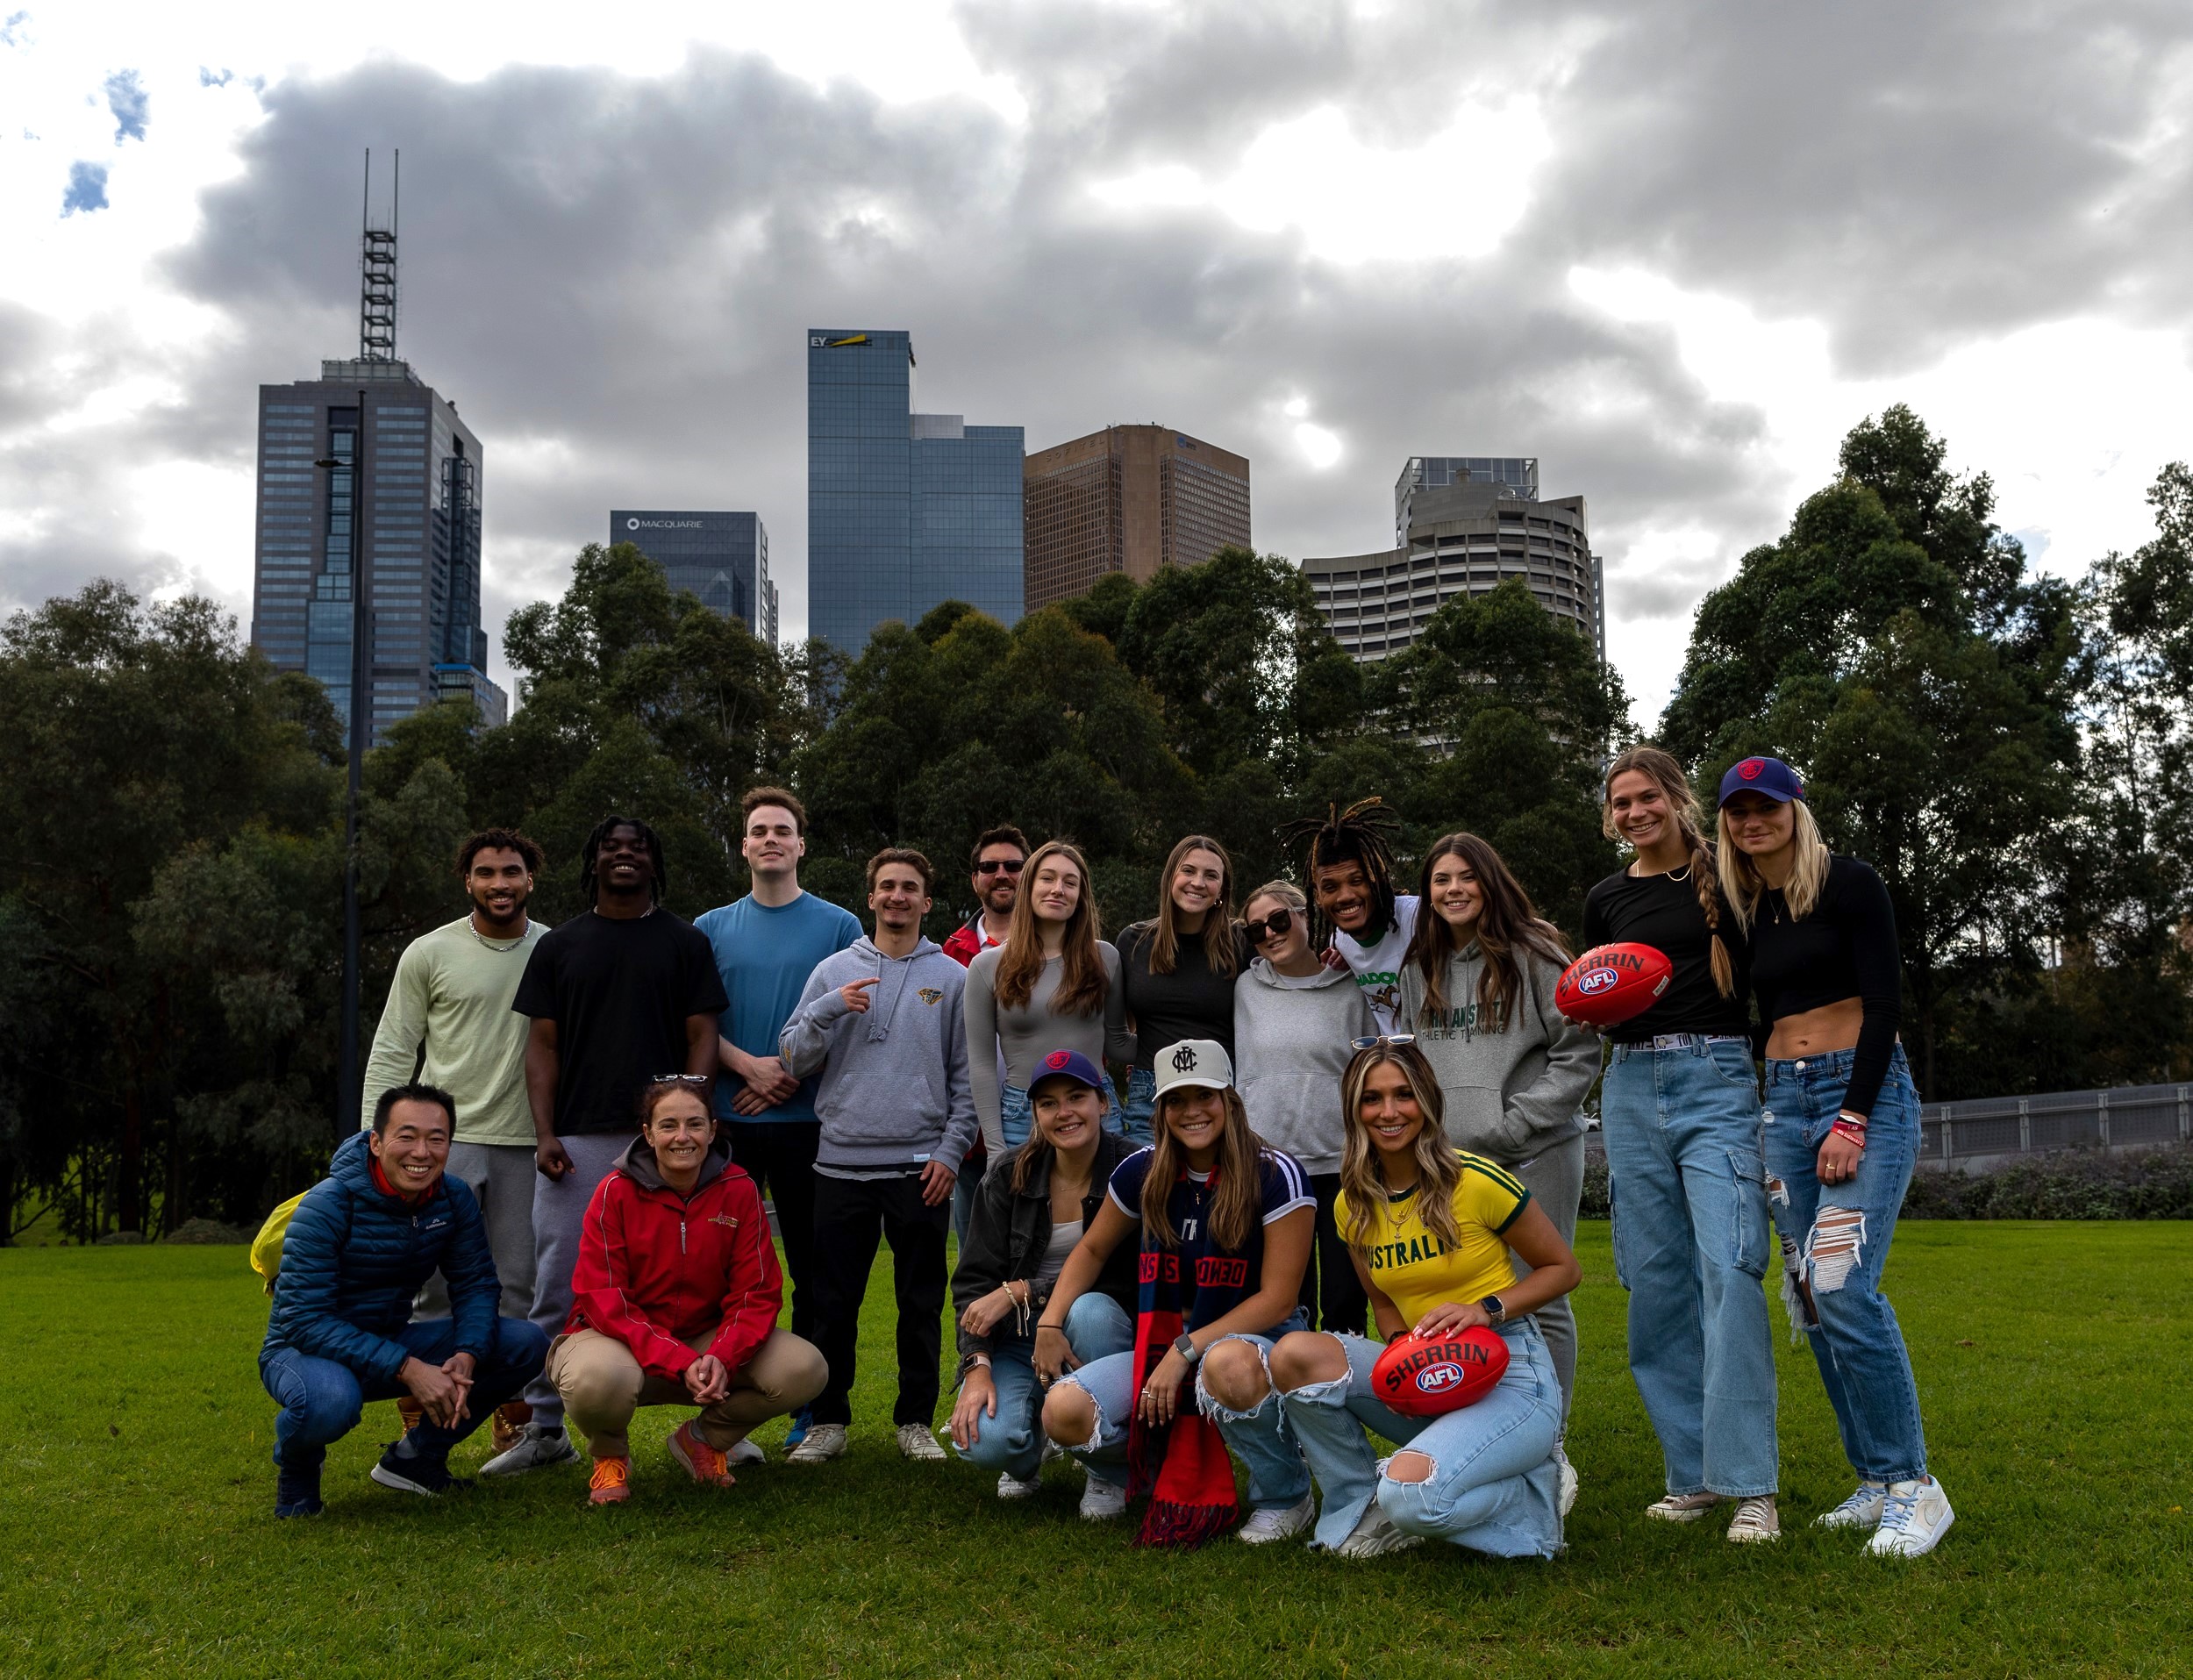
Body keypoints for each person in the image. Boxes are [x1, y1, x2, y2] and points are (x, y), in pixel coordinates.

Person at [1718, 754, 1953, 1557]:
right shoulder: (1747, 909)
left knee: (1842, 1281)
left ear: (1795, 808)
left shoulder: (1851, 883)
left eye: (1768, 805)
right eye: (1740, 810)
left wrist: (1852, 1113)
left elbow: (1885, 1000)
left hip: (1863, 1094)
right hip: (1782, 1102)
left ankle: (1916, 1487)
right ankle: (1875, 1480)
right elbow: (1757, 1011)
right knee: (1811, 1300)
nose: (1756, 821)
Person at [488, 815, 729, 1477]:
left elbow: (702, 1033)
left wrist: (690, 1117)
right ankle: (542, 1427)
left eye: (638, 847)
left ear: (655, 863)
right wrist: (544, 1133)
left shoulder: (684, 942)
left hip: (668, 1142)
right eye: (611, 847)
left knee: (701, 1278)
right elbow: (541, 1047)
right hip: (579, 1139)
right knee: (557, 1280)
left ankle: (718, 1423)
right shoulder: (560, 946)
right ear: (592, 861)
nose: (624, 855)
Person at [1271, 1041, 1578, 1558]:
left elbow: (1563, 1270)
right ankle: (1361, 1503)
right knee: (1295, 1355)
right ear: (1354, 1110)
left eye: (1403, 1096)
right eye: (1372, 1099)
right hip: (1425, 1366)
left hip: (1508, 1373)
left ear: (1427, 1102)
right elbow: (1384, 1304)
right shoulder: (1352, 1205)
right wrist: (1399, 1352)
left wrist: (1485, 1309)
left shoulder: (1475, 1178)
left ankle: (1531, 1497)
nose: (1388, 1113)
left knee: (1412, 1497)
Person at [1584, 746, 1778, 1542]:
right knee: (1655, 1281)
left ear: (1676, 798)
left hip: (1715, 1074)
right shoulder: (1604, 897)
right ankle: (1692, 1474)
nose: (1635, 812)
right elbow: (1594, 986)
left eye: (1646, 797)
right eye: (1621, 803)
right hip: (1627, 1086)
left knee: (1729, 1268)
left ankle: (1752, 1486)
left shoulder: (1732, 872)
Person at [1039, 1040, 1317, 1548]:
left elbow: (1278, 1300)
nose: (1191, 1112)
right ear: (1161, 1109)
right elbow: (1093, 1250)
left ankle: (1285, 1495)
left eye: (1204, 1096)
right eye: (1176, 1100)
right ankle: (1131, 1473)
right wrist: (1049, 1322)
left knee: (1227, 1366)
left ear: (1229, 1101)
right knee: (1065, 1412)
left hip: (1257, 1341)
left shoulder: (1275, 1172)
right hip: (1168, 1340)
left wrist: (1186, 1349)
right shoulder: (1143, 1170)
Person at [1397, 831, 1598, 1507]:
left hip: (1533, 1149)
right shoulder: (1416, 965)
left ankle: (1550, 1442)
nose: (1453, 889)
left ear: (1490, 880)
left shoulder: (1537, 952)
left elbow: (1578, 1053)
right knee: (1464, 1295)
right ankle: (1482, 1427)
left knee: (1543, 1291)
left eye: (1465, 877)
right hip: (1446, 1164)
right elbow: (1411, 1063)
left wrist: (1513, 1127)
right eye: (1440, 880)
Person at [258, 1084, 549, 1517]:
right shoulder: (326, 1205)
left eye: (437, 1139)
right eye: (406, 1136)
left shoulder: (452, 1198)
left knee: (523, 1342)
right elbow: (304, 1320)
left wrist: (467, 1354)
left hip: (388, 1337)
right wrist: (409, 1368)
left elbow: (475, 1285)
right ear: (376, 1142)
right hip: (302, 1350)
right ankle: (298, 1468)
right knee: (331, 1402)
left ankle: (416, 1459)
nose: (422, 1152)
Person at [775, 847, 976, 1465]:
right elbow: (790, 1056)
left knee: (919, 1301)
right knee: (833, 1301)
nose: (897, 896)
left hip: (920, 1167)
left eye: (909, 887)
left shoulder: (952, 978)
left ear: (926, 901)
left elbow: (967, 1078)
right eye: (886, 886)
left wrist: (949, 1150)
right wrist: (830, 1007)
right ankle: (828, 1420)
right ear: (870, 898)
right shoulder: (833, 969)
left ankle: (914, 1419)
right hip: (839, 1164)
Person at [546, 1078, 826, 1505]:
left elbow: (757, 1292)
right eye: (669, 1125)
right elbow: (604, 1298)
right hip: (616, 1341)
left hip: (704, 1339)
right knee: (595, 1381)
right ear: (648, 1134)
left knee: (804, 1369)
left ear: (712, 1131)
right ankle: (610, 1457)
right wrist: (680, 1360)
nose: (682, 1137)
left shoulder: (739, 1189)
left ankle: (703, 1439)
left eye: (694, 1124)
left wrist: (722, 1355)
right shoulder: (613, 1193)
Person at [361, 827, 549, 1455]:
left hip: (528, 1142)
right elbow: (393, 1047)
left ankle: (514, 1423)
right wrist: (375, 1139)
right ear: (467, 880)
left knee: (520, 1284)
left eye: (512, 872)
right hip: (442, 1147)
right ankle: (422, 1418)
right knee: (432, 1285)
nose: (501, 883)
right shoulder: (429, 951)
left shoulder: (555, 950)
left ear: (531, 879)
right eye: (487, 872)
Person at [694, 786, 862, 1453]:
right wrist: (748, 1067)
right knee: (723, 1273)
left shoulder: (839, 925)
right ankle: (724, 1412)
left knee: (814, 1272)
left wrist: (789, 1072)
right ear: (743, 845)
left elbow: (853, 1016)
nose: (770, 838)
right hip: (727, 1126)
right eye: (758, 829)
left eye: (782, 830)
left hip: (809, 1123)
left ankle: (820, 1413)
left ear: (800, 845)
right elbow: (700, 1020)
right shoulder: (710, 928)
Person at [946, 1048, 1139, 1505]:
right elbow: (974, 1284)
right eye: (1049, 1103)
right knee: (982, 1441)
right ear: (1035, 1113)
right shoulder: (1009, 1174)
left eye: (1077, 1096)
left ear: (1103, 1102)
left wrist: (1021, 1291)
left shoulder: (1133, 1169)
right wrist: (976, 1366)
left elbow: (1125, 1276)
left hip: (1100, 1325)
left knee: (1091, 1311)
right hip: (1017, 1336)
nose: (1064, 1113)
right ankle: (1032, 1448)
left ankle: (1105, 1467)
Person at [1233, 879, 1376, 1335]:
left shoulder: (1353, 986)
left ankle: (1345, 1394)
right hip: (1269, 1168)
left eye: (1279, 920)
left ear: (1306, 917)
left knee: (1345, 1300)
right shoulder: (1244, 988)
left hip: (1341, 1163)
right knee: (1285, 1303)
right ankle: (1287, 1396)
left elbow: (1373, 1069)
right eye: (1257, 929)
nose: (1270, 934)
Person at [964, 839, 1133, 1155]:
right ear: (1028, 886)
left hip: (1098, 1108)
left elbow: (1118, 1043)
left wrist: (1180, 1040)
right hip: (1022, 1116)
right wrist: (996, 1149)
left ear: (1080, 896)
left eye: (1070, 883)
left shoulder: (1105, 958)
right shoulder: (986, 967)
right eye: (1047, 878)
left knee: (1105, 1205)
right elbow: (982, 1066)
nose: (1058, 889)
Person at [1114, 835, 1248, 1147]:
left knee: (1220, 1192)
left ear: (1222, 890)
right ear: (1171, 877)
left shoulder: (1242, 942)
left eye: (1211, 875)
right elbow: (1117, 1028)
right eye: (1188, 871)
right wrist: (1155, 1054)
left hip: (1219, 1091)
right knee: (1147, 1190)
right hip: (1151, 1093)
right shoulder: (1133, 941)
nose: (1198, 883)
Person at [943, 826, 1031, 1247]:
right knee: (976, 1260)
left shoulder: (1061, 947)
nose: (1001, 874)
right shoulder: (949, 954)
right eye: (989, 866)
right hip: (973, 1141)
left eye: (1013, 866)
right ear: (975, 879)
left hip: (1047, 1129)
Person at [1284, 797, 1419, 1033]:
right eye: (1330, 887)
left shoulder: (1417, 918)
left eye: (1356, 881)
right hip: (1395, 1062)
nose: (1345, 896)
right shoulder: (1341, 942)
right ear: (1317, 896)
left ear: (1377, 878)